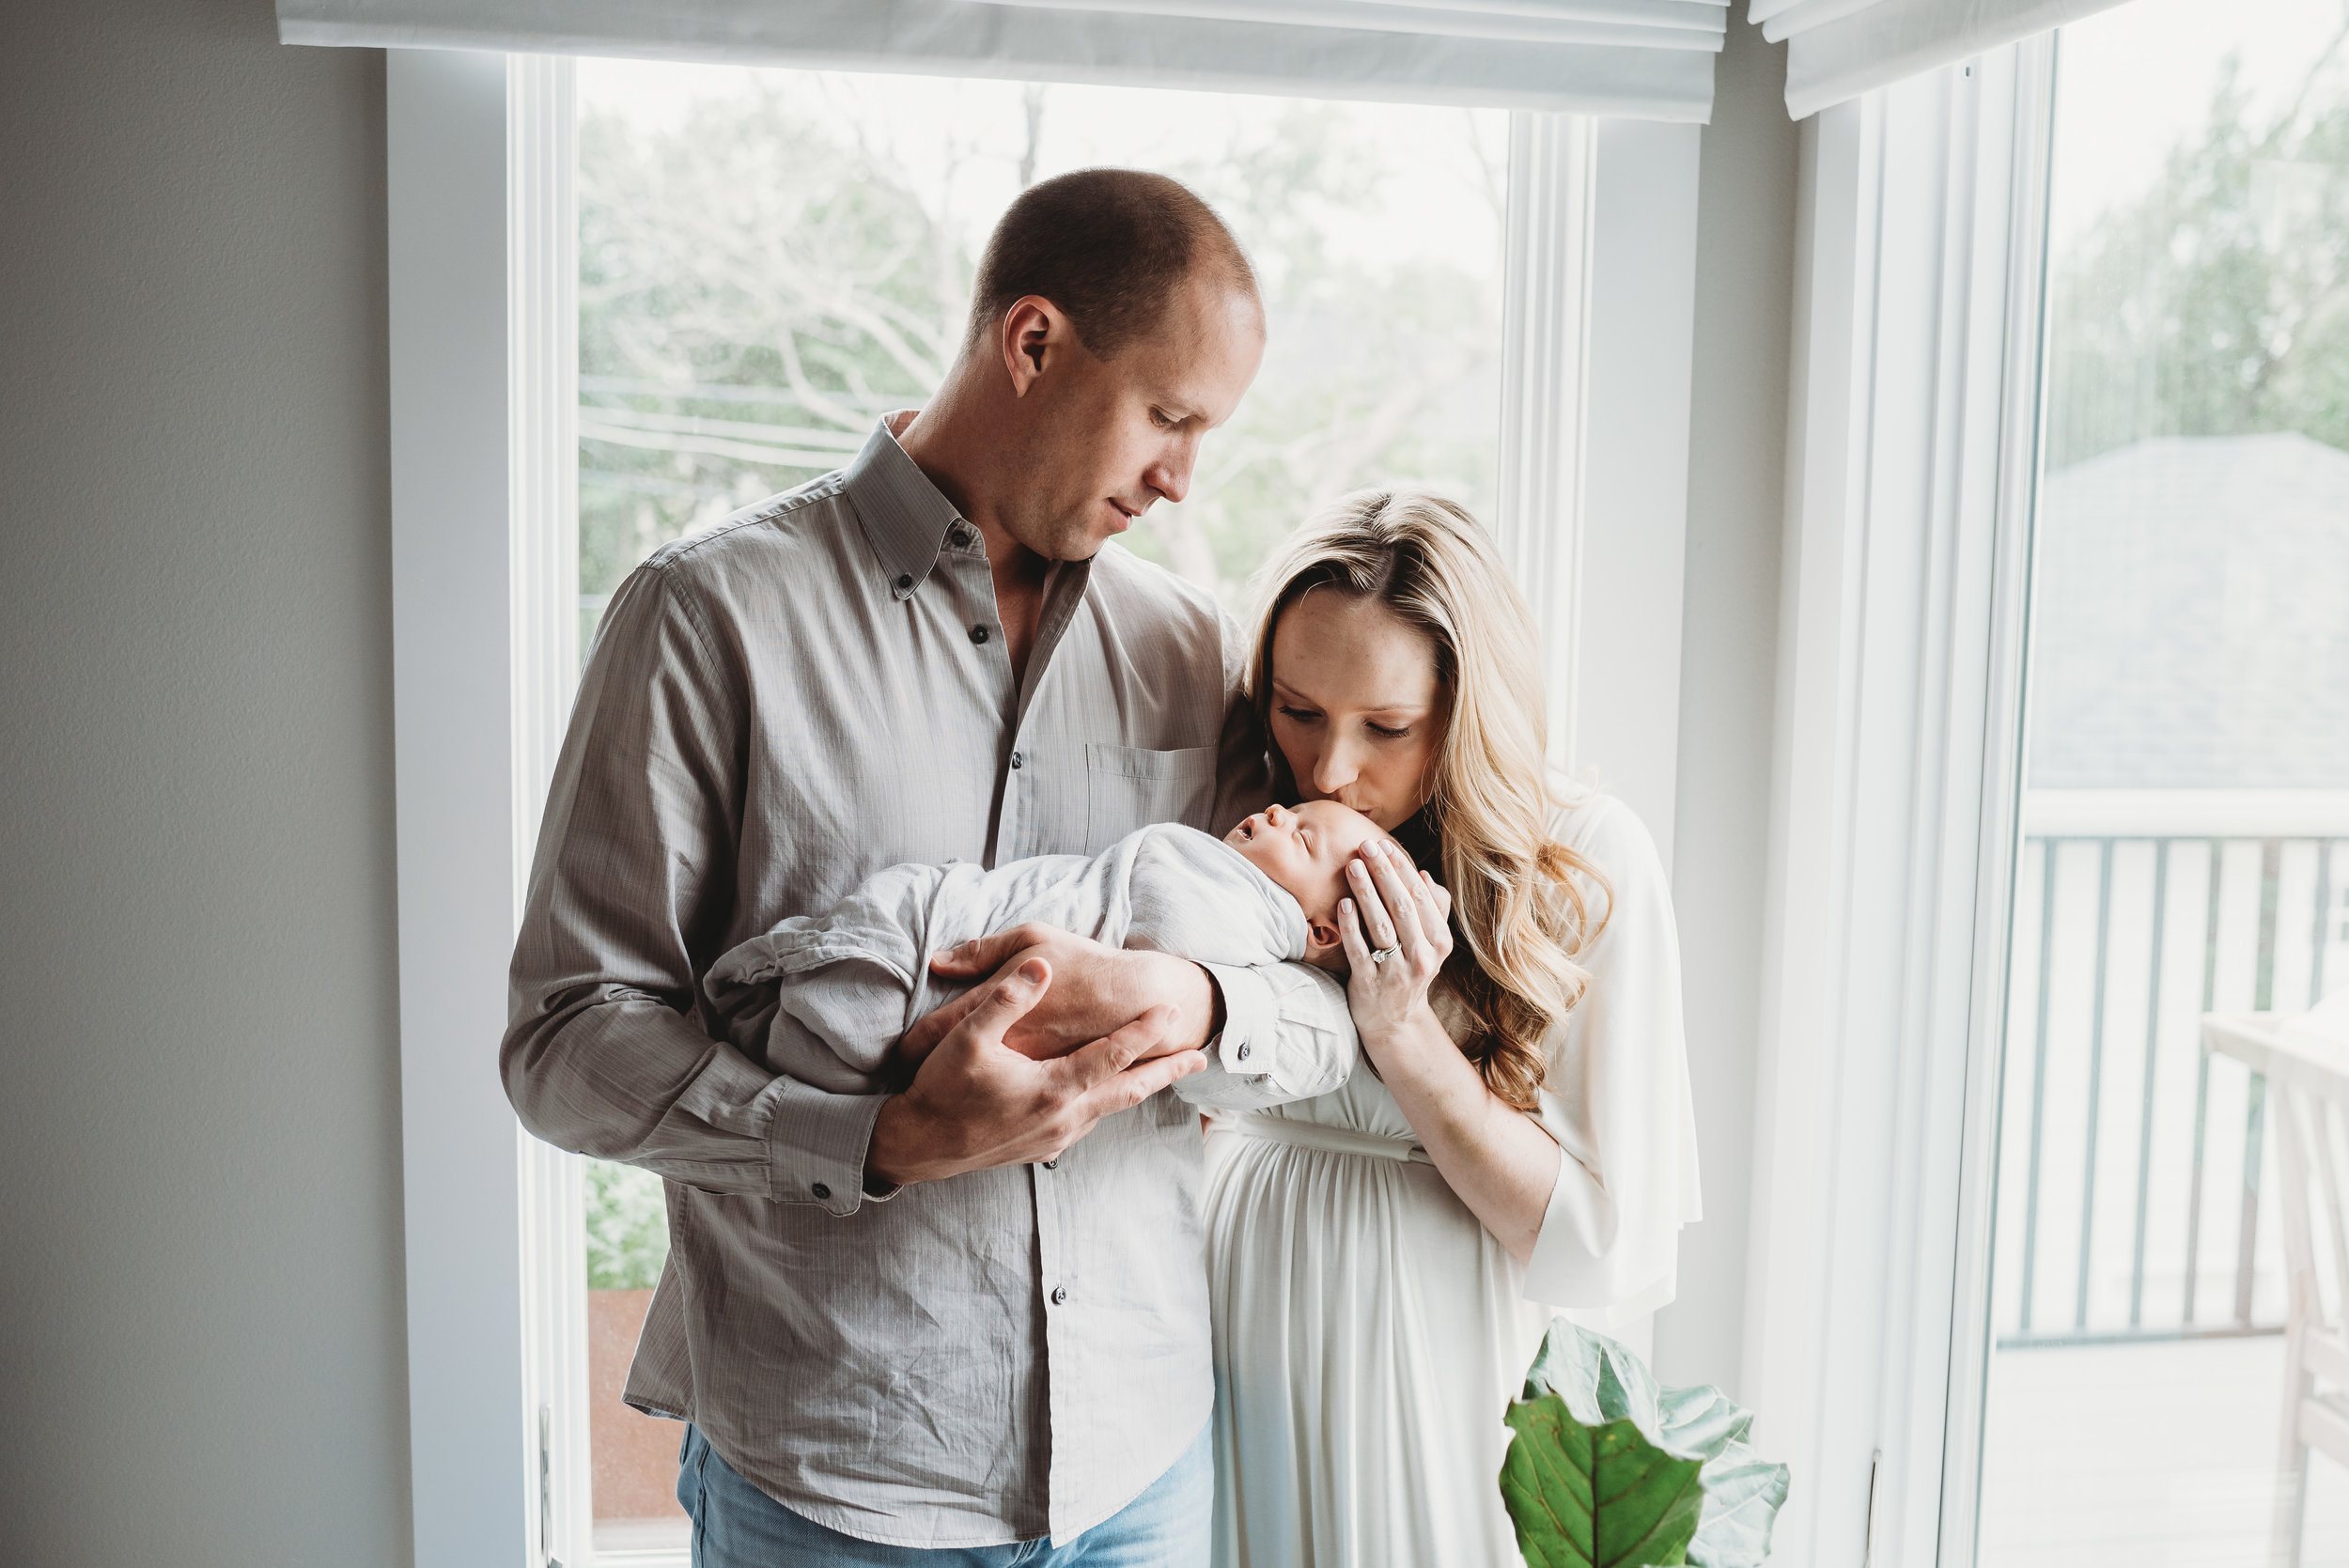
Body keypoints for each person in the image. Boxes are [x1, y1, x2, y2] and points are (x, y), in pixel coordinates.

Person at [501, 170, 1359, 1566]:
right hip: (833, 1486)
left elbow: (1326, 1006)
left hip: (1140, 1473)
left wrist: (1197, 1000)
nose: (1184, 477)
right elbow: (566, 1041)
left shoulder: (1193, 651)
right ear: (1033, 343)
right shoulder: (710, 617)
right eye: (1170, 416)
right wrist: (881, 1143)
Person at [1204, 489, 1703, 1567]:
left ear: (1467, 707)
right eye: (1297, 710)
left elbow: (1599, 1241)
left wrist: (1406, 1034)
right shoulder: (1254, 823)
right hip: (1219, 1319)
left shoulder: (1580, 861)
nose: (1329, 769)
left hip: (1426, 1350)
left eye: (1386, 727)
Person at [704, 800, 1392, 1095]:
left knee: (838, 1023)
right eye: (1292, 809)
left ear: (1323, 931)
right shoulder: (1230, 876)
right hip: (952, 915)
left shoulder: (1236, 914)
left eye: (1301, 836)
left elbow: (1165, 913)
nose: (1278, 812)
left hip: (938, 975)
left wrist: (1175, 995)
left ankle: (760, 1000)